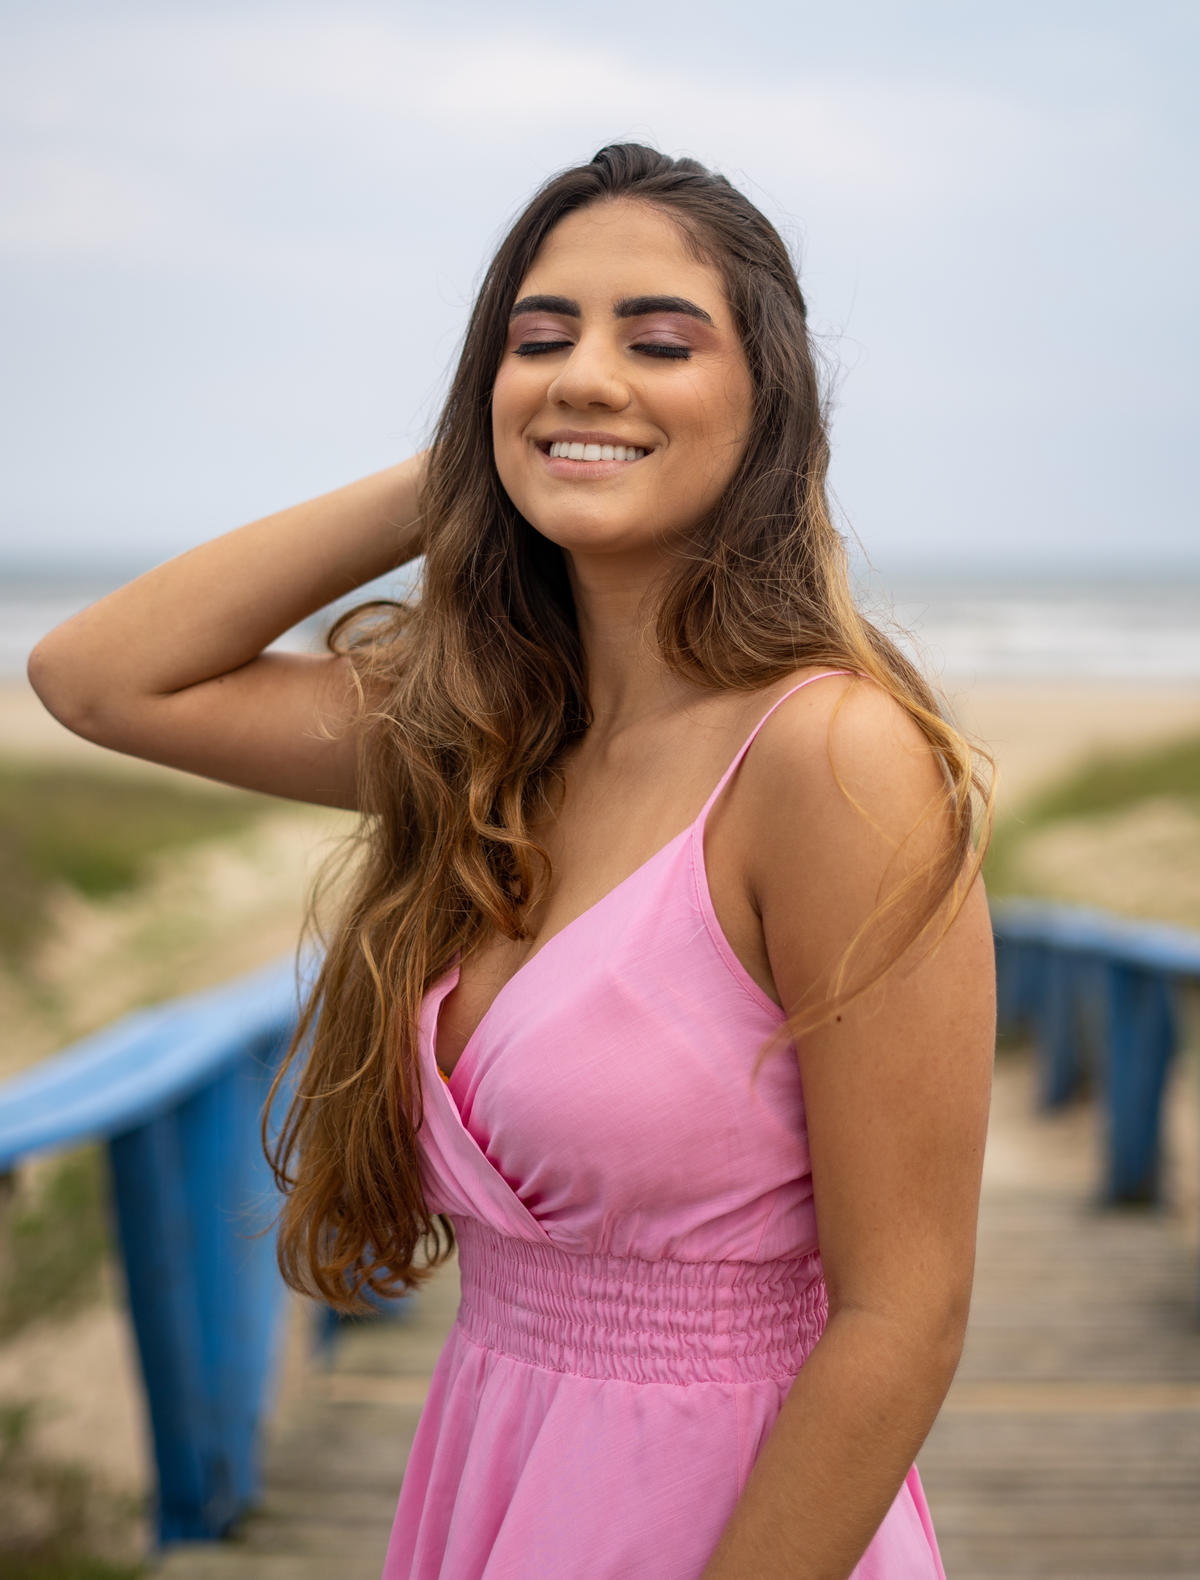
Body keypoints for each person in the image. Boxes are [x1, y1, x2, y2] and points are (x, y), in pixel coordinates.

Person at [29, 144, 995, 1580]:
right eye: (538, 342)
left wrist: (559, 416)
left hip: (738, 1514)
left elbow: (903, 1316)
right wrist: (476, 463)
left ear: (768, 405)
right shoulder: (488, 737)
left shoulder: (828, 762)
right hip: (500, 1469)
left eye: (657, 342)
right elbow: (98, 678)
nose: (588, 373)